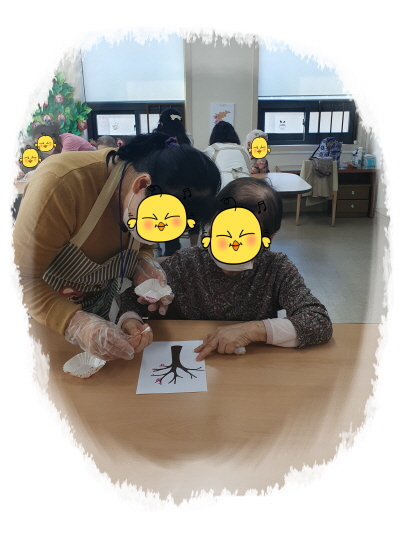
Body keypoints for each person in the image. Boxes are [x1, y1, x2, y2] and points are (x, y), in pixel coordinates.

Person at [13, 132, 221, 362]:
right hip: (42, 314)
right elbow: (19, 279)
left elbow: (143, 246)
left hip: (98, 311)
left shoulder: (147, 199)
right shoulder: (61, 184)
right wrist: (76, 323)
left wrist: (143, 266)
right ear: (142, 184)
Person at [118, 177, 332, 360]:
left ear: (268, 238)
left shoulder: (276, 269)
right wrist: (131, 321)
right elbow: (131, 300)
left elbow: (318, 321)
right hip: (186, 361)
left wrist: (252, 330)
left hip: (246, 369)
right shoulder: (186, 262)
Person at [154, 108, 194, 254]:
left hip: (158, 185)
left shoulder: (155, 138)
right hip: (181, 186)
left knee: (158, 216)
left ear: (161, 123)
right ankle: (175, 252)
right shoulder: (186, 139)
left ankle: (157, 247)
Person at [204, 121, 252, 189]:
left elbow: (205, 175)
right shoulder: (243, 149)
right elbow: (249, 170)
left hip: (222, 189)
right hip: (246, 187)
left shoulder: (210, 149)